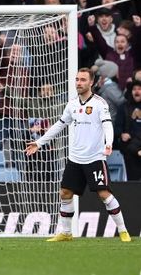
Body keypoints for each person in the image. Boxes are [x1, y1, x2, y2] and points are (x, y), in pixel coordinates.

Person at [25, 68, 132, 243]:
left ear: (91, 82)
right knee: (65, 193)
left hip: (95, 158)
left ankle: (123, 231)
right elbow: (59, 125)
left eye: (83, 80)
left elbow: (107, 125)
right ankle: (66, 233)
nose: (78, 83)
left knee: (104, 194)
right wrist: (39, 142)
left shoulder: (100, 103)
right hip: (75, 158)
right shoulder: (72, 104)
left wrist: (109, 143)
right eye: (77, 79)